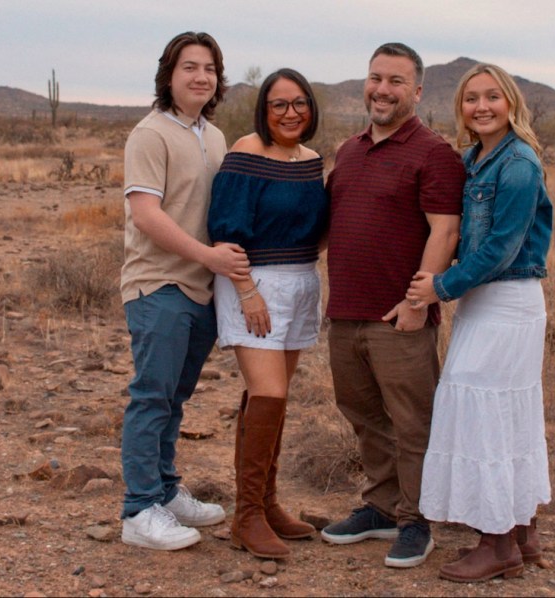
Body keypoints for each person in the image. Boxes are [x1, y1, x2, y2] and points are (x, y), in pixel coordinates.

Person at [406, 63, 554, 582]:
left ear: (510, 102)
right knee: (507, 413)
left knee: (483, 412)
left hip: (506, 300)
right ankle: (523, 531)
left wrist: (439, 287)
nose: (482, 106)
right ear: (461, 108)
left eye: (493, 96)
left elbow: (501, 246)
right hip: (486, 302)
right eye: (472, 99)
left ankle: (497, 546)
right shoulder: (475, 159)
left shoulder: (517, 163)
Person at [321, 42, 465, 569]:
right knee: (362, 413)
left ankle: (416, 520)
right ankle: (381, 508)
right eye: (376, 77)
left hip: (398, 316)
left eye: (396, 81)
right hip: (346, 312)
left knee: (412, 422)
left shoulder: (433, 153)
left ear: (418, 91)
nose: (383, 89)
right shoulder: (351, 149)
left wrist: (414, 303)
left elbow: (445, 230)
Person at [119, 31, 251, 551]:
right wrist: (209, 257)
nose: (200, 77)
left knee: (175, 397)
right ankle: (138, 510)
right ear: (168, 75)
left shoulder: (213, 136)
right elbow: (146, 215)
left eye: (210, 69)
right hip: (159, 285)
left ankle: (165, 492)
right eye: (189, 67)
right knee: (151, 397)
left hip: (201, 289)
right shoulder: (150, 134)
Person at [208, 68, 328, 559]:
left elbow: (318, 228)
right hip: (252, 283)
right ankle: (246, 517)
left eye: (299, 102)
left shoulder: (312, 159)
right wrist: (246, 291)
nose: (290, 112)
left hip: (300, 282)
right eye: (279, 104)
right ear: (264, 109)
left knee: (271, 401)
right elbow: (225, 230)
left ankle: (267, 504)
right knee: (268, 391)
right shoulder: (246, 151)